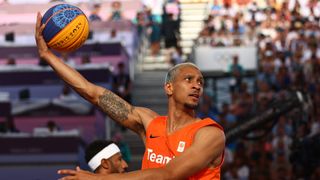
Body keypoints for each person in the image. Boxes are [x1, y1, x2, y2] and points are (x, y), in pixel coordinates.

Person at [35, 12, 225, 179]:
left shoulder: (210, 134)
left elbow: (167, 175)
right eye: (189, 79)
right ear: (169, 88)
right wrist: (48, 56)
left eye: (200, 82)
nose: (196, 86)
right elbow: (91, 91)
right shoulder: (150, 124)